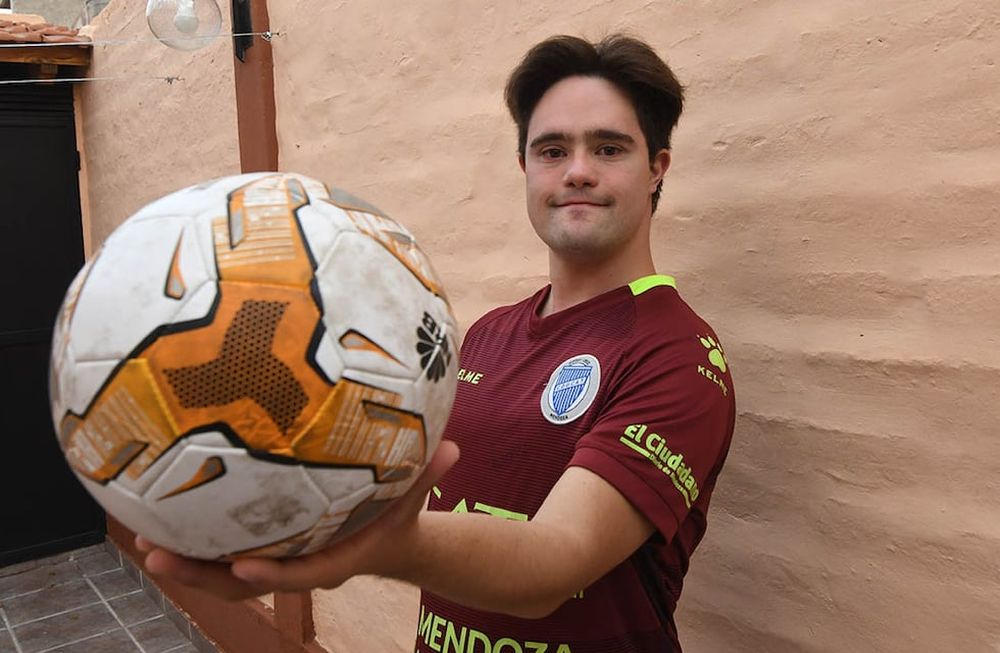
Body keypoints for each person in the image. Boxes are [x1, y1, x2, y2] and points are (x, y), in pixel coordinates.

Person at [138, 33, 736, 653]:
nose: (577, 171)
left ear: (657, 167)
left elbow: (554, 564)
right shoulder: (487, 333)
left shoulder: (678, 354)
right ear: (526, 168)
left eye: (609, 148)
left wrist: (377, 544)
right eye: (552, 150)